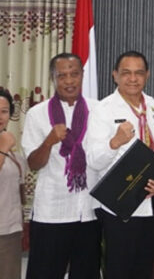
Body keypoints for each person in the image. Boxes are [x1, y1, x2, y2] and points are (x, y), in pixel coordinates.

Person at [86, 51, 154, 279]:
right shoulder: (103, 109)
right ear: (115, 75)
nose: (133, 79)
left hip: (150, 200)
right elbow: (93, 160)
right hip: (119, 204)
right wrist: (114, 142)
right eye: (126, 73)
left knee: (144, 268)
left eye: (139, 73)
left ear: (147, 75)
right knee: (118, 270)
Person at [21, 53, 101, 279]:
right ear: (53, 78)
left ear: (82, 75)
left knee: (86, 274)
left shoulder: (98, 110)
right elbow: (33, 164)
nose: (69, 81)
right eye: (62, 76)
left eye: (74, 74)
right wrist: (48, 142)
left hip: (89, 210)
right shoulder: (37, 114)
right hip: (52, 211)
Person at [0, 88, 25, 279]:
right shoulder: (6, 145)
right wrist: (3, 149)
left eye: (4, 111)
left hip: (10, 231)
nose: (0, 116)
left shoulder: (14, 151)